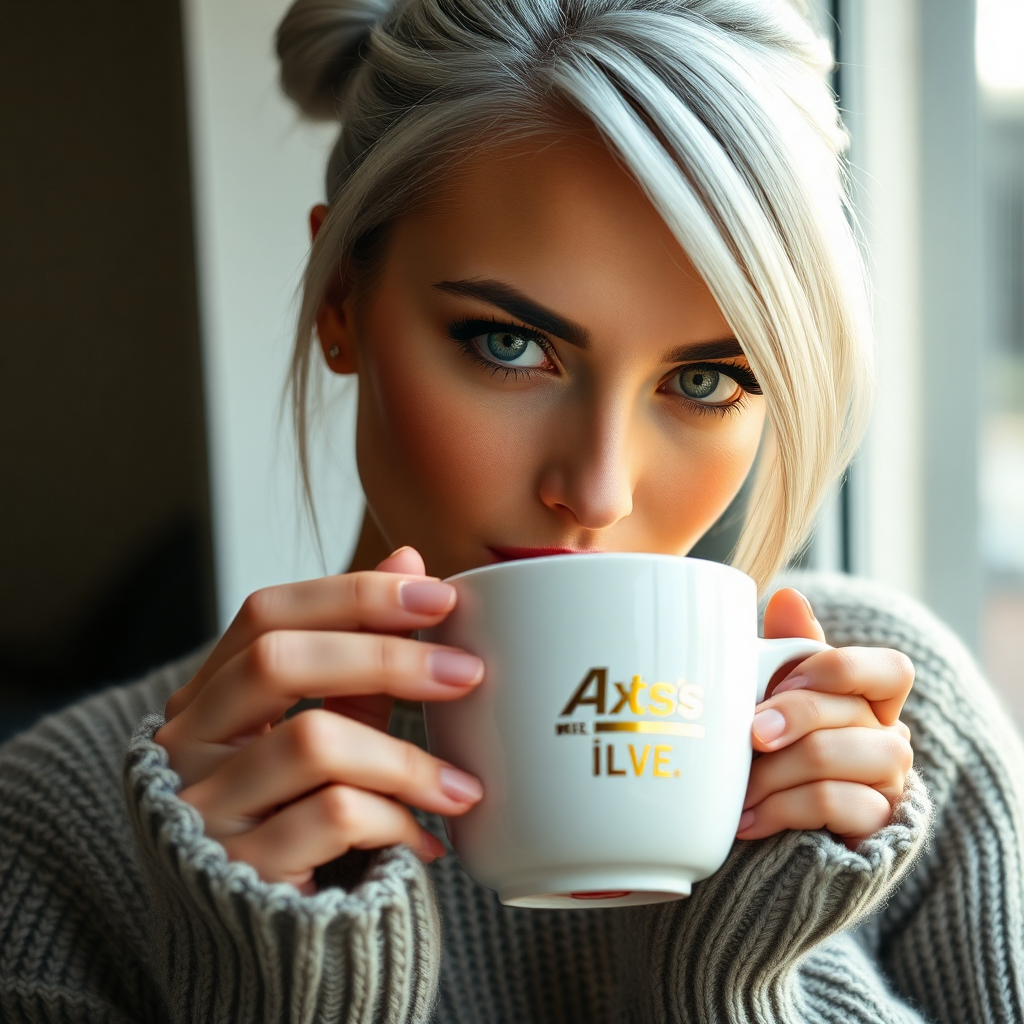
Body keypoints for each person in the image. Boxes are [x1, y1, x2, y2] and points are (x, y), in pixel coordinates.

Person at [1, 0, 1022, 1020]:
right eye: (507, 344)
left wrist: (751, 974)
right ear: (340, 303)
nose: (597, 489)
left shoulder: (895, 740)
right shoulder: (55, 828)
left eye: (708, 382)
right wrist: (277, 986)